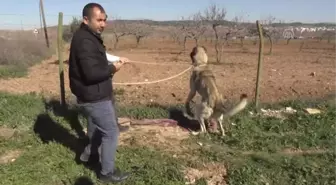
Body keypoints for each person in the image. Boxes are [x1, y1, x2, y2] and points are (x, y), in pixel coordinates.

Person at [68, 2, 130, 183]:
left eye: (104, 20)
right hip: (94, 96)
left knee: (97, 129)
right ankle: (106, 173)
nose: (103, 24)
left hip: (96, 94)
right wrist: (113, 69)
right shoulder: (84, 41)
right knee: (110, 132)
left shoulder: (88, 36)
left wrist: (117, 59)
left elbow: (99, 56)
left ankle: (88, 156)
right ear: (86, 20)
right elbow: (91, 73)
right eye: (99, 20)